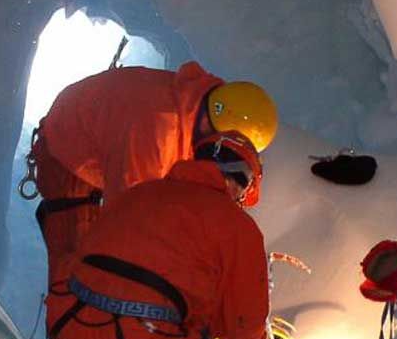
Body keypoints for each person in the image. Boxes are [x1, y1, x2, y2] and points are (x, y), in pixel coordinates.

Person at [45, 131, 270, 339]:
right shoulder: (236, 226)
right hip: (140, 338)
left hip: (70, 321)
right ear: (239, 181)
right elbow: (244, 325)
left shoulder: (140, 192)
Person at [26, 61, 277, 287]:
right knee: (83, 265)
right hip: (69, 151)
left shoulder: (211, 103)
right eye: (221, 146)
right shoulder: (156, 132)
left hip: (108, 137)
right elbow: (128, 217)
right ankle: (76, 326)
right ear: (212, 127)